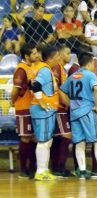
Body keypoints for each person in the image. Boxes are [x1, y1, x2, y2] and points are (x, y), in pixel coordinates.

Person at [60, 52, 97, 179]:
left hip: (74, 113)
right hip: (87, 112)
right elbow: (96, 89)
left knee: (79, 143)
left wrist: (70, 104)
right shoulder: (90, 75)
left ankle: (82, 172)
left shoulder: (73, 76)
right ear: (90, 62)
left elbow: (62, 91)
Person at [30, 46, 60, 181]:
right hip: (43, 110)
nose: (59, 59)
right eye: (57, 56)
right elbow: (35, 85)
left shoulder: (42, 68)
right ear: (51, 58)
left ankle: (45, 170)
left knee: (47, 141)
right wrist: (41, 102)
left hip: (45, 110)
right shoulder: (45, 69)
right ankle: (40, 171)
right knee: (44, 141)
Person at [10, 44, 40, 179]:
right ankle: (23, 169)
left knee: (34, 137)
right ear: (27, 56)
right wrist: (12, 102)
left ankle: (33, 168)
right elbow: (15, 90)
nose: (36, 55)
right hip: (23, 108)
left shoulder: (32, 67)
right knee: (25, 137)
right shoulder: (21, 70)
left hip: (33, 107)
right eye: (33, 54)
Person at [50, 45, 72, 177]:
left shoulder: (63, 69)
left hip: (60, 108)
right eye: (68, 53)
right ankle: (60, 167)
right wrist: (67, 102)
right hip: (59, 108)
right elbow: (56, 88)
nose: (70, 55)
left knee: (58, 138)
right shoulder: (57, 67)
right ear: (60, 54)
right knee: (66, 135)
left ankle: (57, 166)